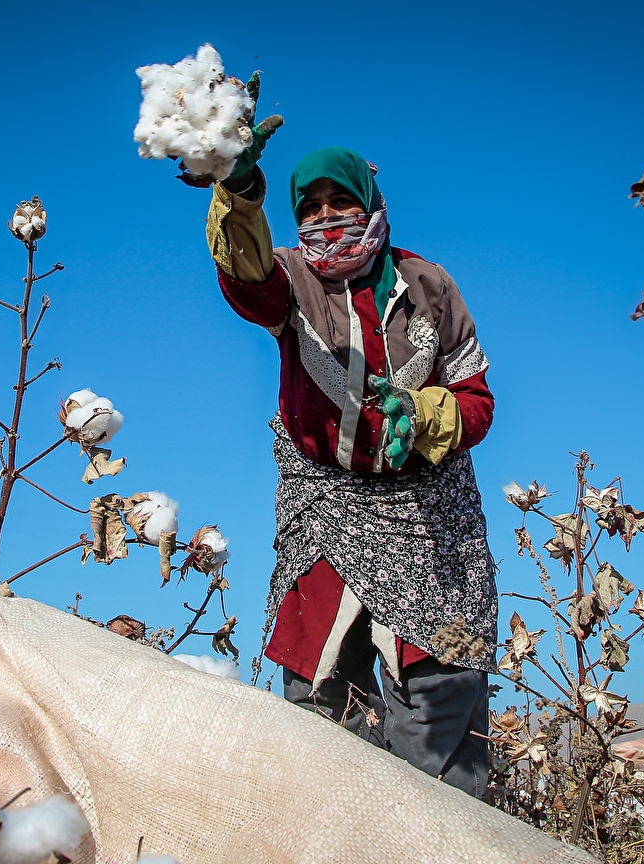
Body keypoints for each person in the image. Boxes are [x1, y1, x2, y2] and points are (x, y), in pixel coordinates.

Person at [189, 102, 499, 798]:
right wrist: (239, 194)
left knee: (440, 705)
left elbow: (477, 399)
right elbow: (246, 279)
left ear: (371, 203)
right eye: (314, 204)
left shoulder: (430, 286)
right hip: (326, 513)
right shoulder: (290, 279)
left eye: (343, 200)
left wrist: (420, 414)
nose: (329, 216)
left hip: (429, 522)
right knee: (322, 714)